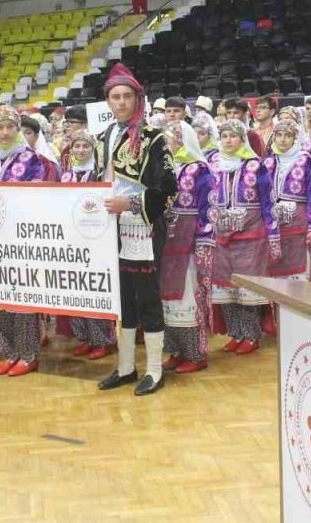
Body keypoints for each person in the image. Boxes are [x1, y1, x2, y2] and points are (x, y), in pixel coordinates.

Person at [96, 64, 178, 396]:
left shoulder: (154, 138)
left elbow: (170, 189)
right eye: (115, 97)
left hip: (142, 227)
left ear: (138, 99)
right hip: (110, 228)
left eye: (127, 96)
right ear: (108, 102)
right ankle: (127, 366)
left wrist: (129, 205)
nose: (120, 103)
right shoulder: (104, 137)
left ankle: (155, 370)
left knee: (147, 297)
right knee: (123, 299)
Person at [0, 105, 54, 377]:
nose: (5, 132)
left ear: (18, 129)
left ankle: (28, 354)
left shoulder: (32, 160)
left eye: (10, 127)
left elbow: (38, 201)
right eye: (0, 127)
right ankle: (8, 352)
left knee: (21, 298)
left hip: (21, 240)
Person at [200, 119, 279, 356]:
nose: (228, 141)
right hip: (221, 235)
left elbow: (268, 201)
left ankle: (251, 335)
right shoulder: (213, 163)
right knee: (226, 287)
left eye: (232, 136)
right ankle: (236, 333)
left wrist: (272, 233)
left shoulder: (256, 165)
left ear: (242, 139)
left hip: (251, 236)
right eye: (224, 137)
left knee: (247, 288)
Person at [160, 121, 213, 374]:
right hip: (166, 241)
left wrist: (204, 242)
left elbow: (208, 208)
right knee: (167, 297)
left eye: (169, 138)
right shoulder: (166, 167)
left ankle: (195, 354)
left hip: (188, 241)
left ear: (181, 140)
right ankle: (176, 350)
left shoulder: (199, 170)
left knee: (187, 296)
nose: (166, 142)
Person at [60, 130, 116, 360]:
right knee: (75, 290)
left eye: (85, 146)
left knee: (94, 291)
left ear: (92, 149)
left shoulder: (100, 174)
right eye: (77, 146)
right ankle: (84, 337)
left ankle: (102, 339)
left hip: (96, 242)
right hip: (71, 242)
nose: (81, 150)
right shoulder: (65, 176)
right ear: (70, 149)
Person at [267, 116, 311, 283]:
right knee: (276, 278)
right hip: (274, 229)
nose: (282, 139)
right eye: (279, 135)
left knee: (298, 276)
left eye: (288, 135)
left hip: (299, 228)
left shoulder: (307, 161)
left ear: (295, 138)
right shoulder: (268, 162)